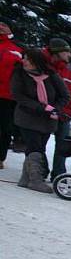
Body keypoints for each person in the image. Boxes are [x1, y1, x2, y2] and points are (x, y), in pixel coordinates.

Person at [11, 48, 68, 193]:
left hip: (48, 120)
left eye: (28, 60)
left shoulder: (51, 74)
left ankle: (25, 178)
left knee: (38, 147)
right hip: (27, 117)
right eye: (24, 58)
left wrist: (55, 108)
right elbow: (18, 96)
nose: (24, 62)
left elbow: (64, 95)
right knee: (35, 146)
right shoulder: (19, 74)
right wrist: (42, 107)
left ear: (37, 62)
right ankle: (36, 180)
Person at [43, 38, 71, 180]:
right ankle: (40, 170)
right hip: (45, 113)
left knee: (62, 146)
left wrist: (69, 110)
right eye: (67, 52)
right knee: (39, 144)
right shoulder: (45, 66)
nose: (70, 55)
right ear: (58, 52)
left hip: (64, 114)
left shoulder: (70, 70)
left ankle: (58, 174)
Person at [0, 22, 22, 169]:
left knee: (5, 128)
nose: (1, 26)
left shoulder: (17, 49)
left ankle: (0, 158)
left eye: (4, 25)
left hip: (7, 96)